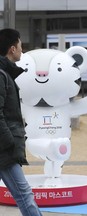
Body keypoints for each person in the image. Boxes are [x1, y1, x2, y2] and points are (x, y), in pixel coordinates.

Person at [0, 28, 42, 215]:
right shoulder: (2, 75)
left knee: (24, 196)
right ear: (12, 49)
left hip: (4, 146)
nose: (22, 50)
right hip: (4, 150)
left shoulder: (5, 74)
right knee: (25, 196)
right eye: (20, 45)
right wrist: (9, 142)